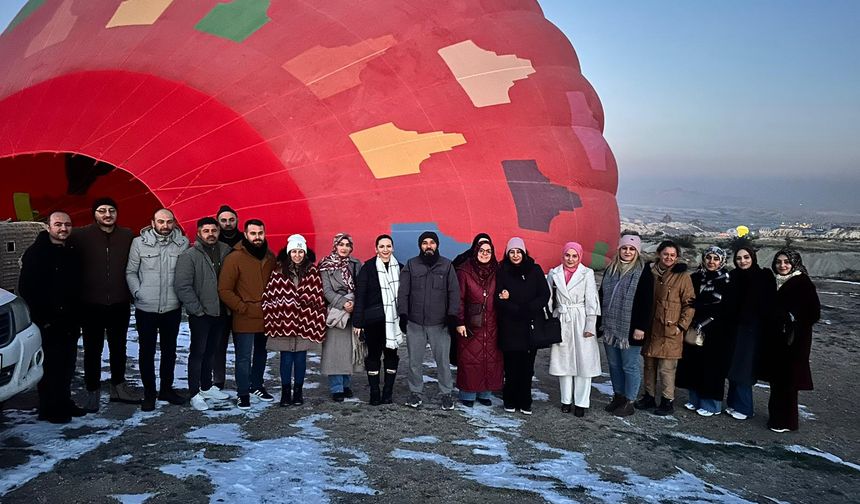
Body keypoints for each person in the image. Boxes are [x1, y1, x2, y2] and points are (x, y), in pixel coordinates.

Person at [69, 197, 140, 411]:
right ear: (95, 214)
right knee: (93, 349)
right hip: (91, 303)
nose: (107, 214)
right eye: (102, 210)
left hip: (119, 301)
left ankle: (118, 386)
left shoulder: (127, 235)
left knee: (119, 347)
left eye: (111, 210)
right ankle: (92, 390)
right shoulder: (81, 235)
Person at [18, 211, 86, 423]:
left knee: (67, 365)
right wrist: (44, 319)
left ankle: (64, 402)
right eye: (58, 224)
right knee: (50, 367)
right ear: (48, 227)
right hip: (49, 322)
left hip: (70, 321)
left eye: (67, 224)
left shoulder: (72, 250)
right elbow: (26, 289)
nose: (63, 228)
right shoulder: (36, 253)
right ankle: (49, 409)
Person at [126, 208, 189, 411]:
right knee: (147, 352)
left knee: (169, 351)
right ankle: (149, 393)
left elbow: (186, 273)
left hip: (171, 307)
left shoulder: (182, 244)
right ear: (152, 222)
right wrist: (137, 292)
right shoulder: (139, 243)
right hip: (146, 308)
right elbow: (131, 272)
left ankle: (166, 389)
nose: (165, 226)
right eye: (161, 221)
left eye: (169, 222)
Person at [174, 217, 232, 411]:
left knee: (212, 351)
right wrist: (196, 310)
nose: (210, 234)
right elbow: (182, 286)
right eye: (206, 231)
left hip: (221, 311)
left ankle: (207, 387)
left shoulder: (226, 251)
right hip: (201, 313)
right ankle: (194, 392)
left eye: (213, 230)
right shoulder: (189, 255)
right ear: (199, 233)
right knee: (198, 353)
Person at [397, 231, 460, 410]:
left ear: (437, 245)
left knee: (442, 361)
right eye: (425, 243)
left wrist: (452, 315)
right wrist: (403, 314)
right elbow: (404, 292)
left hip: (440, 324)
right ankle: (415, 393)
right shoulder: (411, 264)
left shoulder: (447, 266)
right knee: (414, 362)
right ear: (420, 246)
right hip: (415, 323)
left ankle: (446, 394)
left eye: (432, 242)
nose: (428, 246)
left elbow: (454, 292)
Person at [261, 234, 327, 407]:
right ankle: (285, 393)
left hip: (305, 323)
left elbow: (317, 297)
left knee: (300, 359)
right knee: (286, 358)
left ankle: (298, 392)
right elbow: (271, 296)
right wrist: (278, 313)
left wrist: (311, 313)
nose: (297, 255)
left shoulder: (312, 272)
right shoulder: (278, 271)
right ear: (288, 252)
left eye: (300, 251)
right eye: (294, 251)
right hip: (284, 323)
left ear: (304, 253)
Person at [218, 219, 276, 410]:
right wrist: (242, 307)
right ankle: (243, 392)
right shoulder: (234, 258)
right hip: (245, 315)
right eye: (253, 233)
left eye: (260, 233)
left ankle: (256, 386)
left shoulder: (269, 256)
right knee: (243, 357)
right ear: (245, 234)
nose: (257, 237)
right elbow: (225, 289)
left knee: (261, 353)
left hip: (267, 315)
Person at [635, 240, 695, 416]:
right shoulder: (649, 272)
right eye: (665, 254)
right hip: (651, 328)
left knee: (667, 369)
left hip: (670, 329)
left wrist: (681, 326)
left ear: (677, 257)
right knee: (649, 365)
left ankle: (667, 401)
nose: (669, 257)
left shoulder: (682, 276)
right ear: (659, 254)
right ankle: (649, 397)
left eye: (672, 255)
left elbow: (689, 304)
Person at [676, 246, 735, 417]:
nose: (711, 262)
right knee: (693, 364)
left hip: (716, 330)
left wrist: (702, 307)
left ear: (722, 261)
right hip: (694, 327)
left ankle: (711, 405)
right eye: (708, 257)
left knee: (712, 368)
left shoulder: (726, 281)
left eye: (716, 259)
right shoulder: (695, 277)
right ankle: (695, 400)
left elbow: (727, 306)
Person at [598, 234, 653, 417]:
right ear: (619, 249)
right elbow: (602, 296)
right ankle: (619, 396)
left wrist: (641, 327)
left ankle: (630, 401)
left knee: (630, 365)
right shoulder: (611, 269)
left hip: (630, 329)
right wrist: (598, 323)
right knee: (614, 364)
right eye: (624, 248)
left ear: (637, 251)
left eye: (631, 249)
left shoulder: (643, 272)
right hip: (610, 326)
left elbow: (646, 302)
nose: (627, 252)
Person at [765, 249, 820, 433]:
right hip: (777, 340)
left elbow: (814, 313)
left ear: (794, 263)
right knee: (777, 381)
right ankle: (776, 419)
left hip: (795, 341)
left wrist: (792, 318)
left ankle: (786, 422)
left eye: (786, 262)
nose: (782, 265)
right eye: (779, 262)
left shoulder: (802, 282)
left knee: (788, 383)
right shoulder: (775, 281)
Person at [495, 237, 550, 415]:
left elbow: (544, 294)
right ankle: (510, 399)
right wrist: (515, 308)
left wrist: (527, 308)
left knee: (527, 366)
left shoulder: (535, 270)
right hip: (510, 326)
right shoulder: (502, 270)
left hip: (530, 325)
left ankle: (525, 401)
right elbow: (499, 297)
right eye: (512, 252)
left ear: (524, 252)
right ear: (507, 253)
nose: (516, 255)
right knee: (511, 366)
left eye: (519, 251)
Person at [547, 242, 601, 417]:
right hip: (562, 318)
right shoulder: (554, 273)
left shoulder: (587, 273)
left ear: (580, 257)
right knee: (564, 361)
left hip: (581, 317)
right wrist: (549, 320)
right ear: (562, 256)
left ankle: (581, 402)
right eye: (567, 255)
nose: (570, 259)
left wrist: (590, 325)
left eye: (574, 256)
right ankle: (566, 400)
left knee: (584, 362)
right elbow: (548, 299)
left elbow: (592, 300)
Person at [725, 244, 775, 420]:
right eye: (739, 258)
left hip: (752, 329)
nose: (742, 261)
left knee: (744, 367)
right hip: (734, 328)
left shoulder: (763, 276)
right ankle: (732, 403)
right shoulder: (733, 276)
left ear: (752, 258)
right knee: (732, 365)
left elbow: (768, 304)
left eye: (746, 257)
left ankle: (745, 408)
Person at [352, 235, 403, 406]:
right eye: (382, 246)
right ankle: (375, 392)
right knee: (373, 356)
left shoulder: (400, 268)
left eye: (388, 246)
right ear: (376, 249)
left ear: (393, 248)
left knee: (391, 356)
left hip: (393, 321)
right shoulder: (368, 268)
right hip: (373, 322)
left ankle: (387, 392)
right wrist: (358, 322)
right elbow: (360, 296)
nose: (385, 249)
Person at [454, 236, 502, 407]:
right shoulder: (464, 271)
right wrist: (459, 322)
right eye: (481, 251)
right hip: (470, 323)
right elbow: (458, 298)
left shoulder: (498, 270)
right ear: (475, 251)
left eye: (488, 251)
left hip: (492, 322)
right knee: (470, 360)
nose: (485, 254)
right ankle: (467, 394)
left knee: (490, 359)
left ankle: (485, 393)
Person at [319, 233, 362, 402]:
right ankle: (336, 387)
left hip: (353, 311)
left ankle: (346, 384)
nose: (344, 248)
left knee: (348, 350)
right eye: (341, 244)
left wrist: (354, 302)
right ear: (335, 246)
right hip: (335, 312)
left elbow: (362, 284)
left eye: (347, 245)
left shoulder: (356, 264)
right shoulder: (325, 265)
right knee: (334, 351)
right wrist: (343, 302)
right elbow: (326, 290)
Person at [450, 233, 491, 367]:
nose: (483, 248)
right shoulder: (462, 263)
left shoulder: (493, 265)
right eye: (480, 244)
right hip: (467, 313)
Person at [213, 204, 241, 390]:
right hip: (218, 302)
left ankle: (243, 382)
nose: (228, 223)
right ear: (218, 222)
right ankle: (218, 381)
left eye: (231, 220)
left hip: (241, 301)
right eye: (224, 220)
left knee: (243, 347)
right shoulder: (212, 242)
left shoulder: (244, 240)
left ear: (237, 221)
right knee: (218, 345)